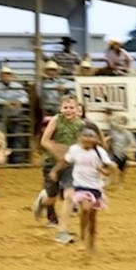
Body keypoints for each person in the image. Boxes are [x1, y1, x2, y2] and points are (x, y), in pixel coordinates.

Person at [34, 95, 86, 243]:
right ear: (60, 108)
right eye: (65, 107)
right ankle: (41, 203)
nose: (68, 110)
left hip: (70, 165)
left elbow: (81, 145)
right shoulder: (56, 120)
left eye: (71, 108)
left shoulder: (81, 125)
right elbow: (44, 141)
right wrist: (61, 153)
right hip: (51, 162)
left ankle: (62, 231)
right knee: (52, 197)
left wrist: (72, 156)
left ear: (77, 110)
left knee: (70, 196)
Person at [52, 128, 112, 254]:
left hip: (95, 187)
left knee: (92, 217)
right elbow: (65, 161)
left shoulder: (100, 152)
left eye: (91, 137)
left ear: (95, 140)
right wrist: (55, 170)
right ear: (79, 137)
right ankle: (82, 235)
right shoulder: (74, 149)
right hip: (80, 186)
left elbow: (108, 170)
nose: (87, 139)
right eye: (85, 136)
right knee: (85, 208)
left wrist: (102, 170)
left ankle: (91, 242)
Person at [105, 112, 136, 188]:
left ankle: (120, 184)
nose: (120, 126)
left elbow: (134, 144)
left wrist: (129, 148)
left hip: (123, 155)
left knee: (122, 171)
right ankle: (111, 180)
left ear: (125, 125)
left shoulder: (128, 134)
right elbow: (110, 124)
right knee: (112, 166)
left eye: (122, 124)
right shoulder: (114, 131)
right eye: (119, 124)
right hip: (115, 154)